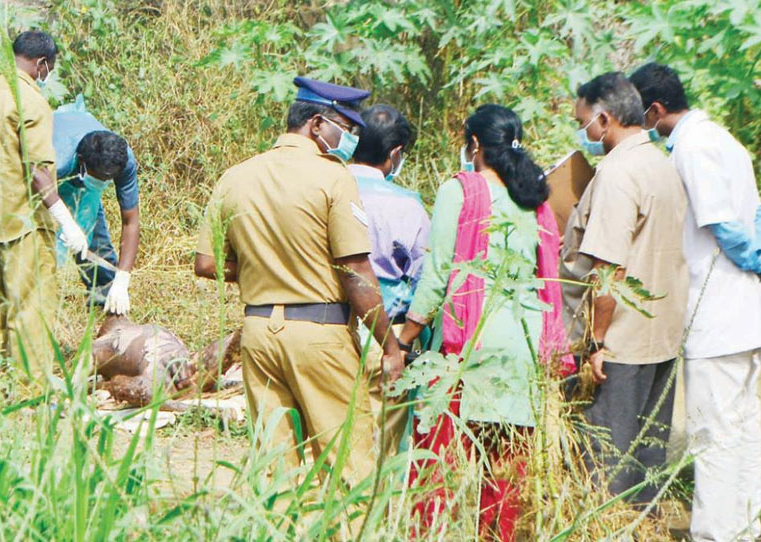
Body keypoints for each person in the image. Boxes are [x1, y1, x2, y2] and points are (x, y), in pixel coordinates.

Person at [194, 77, 404, 487]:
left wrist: (264, 268)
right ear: (316, 124)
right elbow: (356, 271)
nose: (348, 138)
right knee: (346, 462)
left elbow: (206, 263)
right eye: (345, 128)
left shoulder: (236, 177)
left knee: (275, 467)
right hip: (319, 335)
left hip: (258, 335)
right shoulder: (333, 177)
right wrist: (389, 346)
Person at [397, 104, 573, 540]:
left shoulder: (461, 190)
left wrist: (404, 338)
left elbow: (437, 275)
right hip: (523, 349)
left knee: (438, 466)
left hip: (469, 346)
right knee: (505, 471)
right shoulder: (535, 199)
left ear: (474, 144)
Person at [630, 62, 761, 541]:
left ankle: (714, 534)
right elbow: (758, 211)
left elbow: (722, 224)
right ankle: (745, 528)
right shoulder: (726, 140)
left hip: (717, 315)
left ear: (655, 109)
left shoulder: (690, 147)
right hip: (747, 314)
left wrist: (756, 260)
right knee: (744, 430)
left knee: (713, 436)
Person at [560, 72, 688, 505]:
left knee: (608, 466)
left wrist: (596, 342)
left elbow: (606, 269)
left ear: (604, 119)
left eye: (583, 122)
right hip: (662, 339)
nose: (583, 132)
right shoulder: (662, 164)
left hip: (621, 344)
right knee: (646, 462)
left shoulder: (617, 174)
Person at [0, 31, 88, 379]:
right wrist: (64, 219)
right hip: (23, 222)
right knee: (32, 307)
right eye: (48, 68)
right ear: (41, 64)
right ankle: (29, 391)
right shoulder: (30, 101)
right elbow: (38, 173)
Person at [347, 104, 430, 457]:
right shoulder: (406, 205)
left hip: (329, 327)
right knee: (382, 446)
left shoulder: (325, 189)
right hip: (388, 336)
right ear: (395, 154)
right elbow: (426, 277)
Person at [53, 98, 139, 314]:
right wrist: (65, 221)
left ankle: (106, 303)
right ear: (82, 161)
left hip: (82, 184)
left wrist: (123, 278)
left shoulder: (123, 160)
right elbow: (34, 187)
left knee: (95, 241)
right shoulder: (59, 158)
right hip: (43, 179)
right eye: (98, 177)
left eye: (107, 179)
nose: (103, 182)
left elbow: (131, 222)